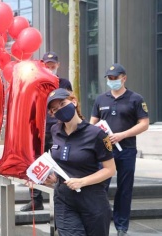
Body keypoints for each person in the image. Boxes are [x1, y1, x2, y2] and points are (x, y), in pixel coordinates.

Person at [44, 88, 116, 236]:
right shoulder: (55, 130)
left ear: (74, 101)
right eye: (54, 109)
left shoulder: (96, 134)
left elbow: (110, 169)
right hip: (64, 200)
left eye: (63, 104)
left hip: (92, 200)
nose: (60, 110)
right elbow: (59, 161)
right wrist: (53, 176)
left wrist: (82, 181)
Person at [90, 63, 149, 236]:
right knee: (100, 186)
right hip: (105, 150)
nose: (112, 81)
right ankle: (99, 221)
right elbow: (93, 123)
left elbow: (144, 124)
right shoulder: (101, 99)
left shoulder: (135, 99)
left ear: (124, 78)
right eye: (110, 78)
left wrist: (122, 135)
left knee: (124, 188)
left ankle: (121, 226)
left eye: (115, 78)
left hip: (126, 150)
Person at [21, 51, 72, 211]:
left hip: (59, 129)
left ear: (58, 65)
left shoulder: (64, 83)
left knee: (60, 164)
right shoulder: (37, 83)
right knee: (37, 163)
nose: (50, 69)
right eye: (47, 66)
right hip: (39, 130)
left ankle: (62, 199)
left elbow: (69, 102)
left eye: (53, 66)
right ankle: (36, 199)